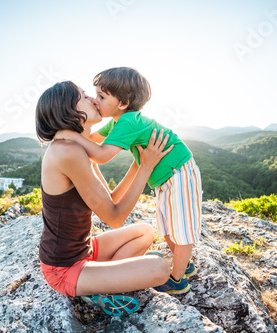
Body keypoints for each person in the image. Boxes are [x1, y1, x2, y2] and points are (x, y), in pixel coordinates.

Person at [54, 67, 203, 294]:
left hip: (178, 171)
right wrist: (73, 134)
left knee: (180, 227)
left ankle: (177, 279)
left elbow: (101, 155)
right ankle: (185, 264)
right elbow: (92, 140)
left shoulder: (128, 121)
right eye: (94, 94)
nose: (95, 100)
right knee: (167, 225)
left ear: (122, 103)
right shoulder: (117, 121)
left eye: (101, 97)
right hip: (165, 177)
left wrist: (71, 136)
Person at [36, 80, 171, 316]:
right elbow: (115, 217)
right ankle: (97, 287)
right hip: (64, 269)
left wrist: (138, 164)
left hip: (85, 251)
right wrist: (146, 168)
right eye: (83, 96)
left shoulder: (78, 148)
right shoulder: (66, 152)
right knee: (160, 268)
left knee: (145, 232)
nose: (92, 99)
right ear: (68, 109)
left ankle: (104, 278)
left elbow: (109, 199)